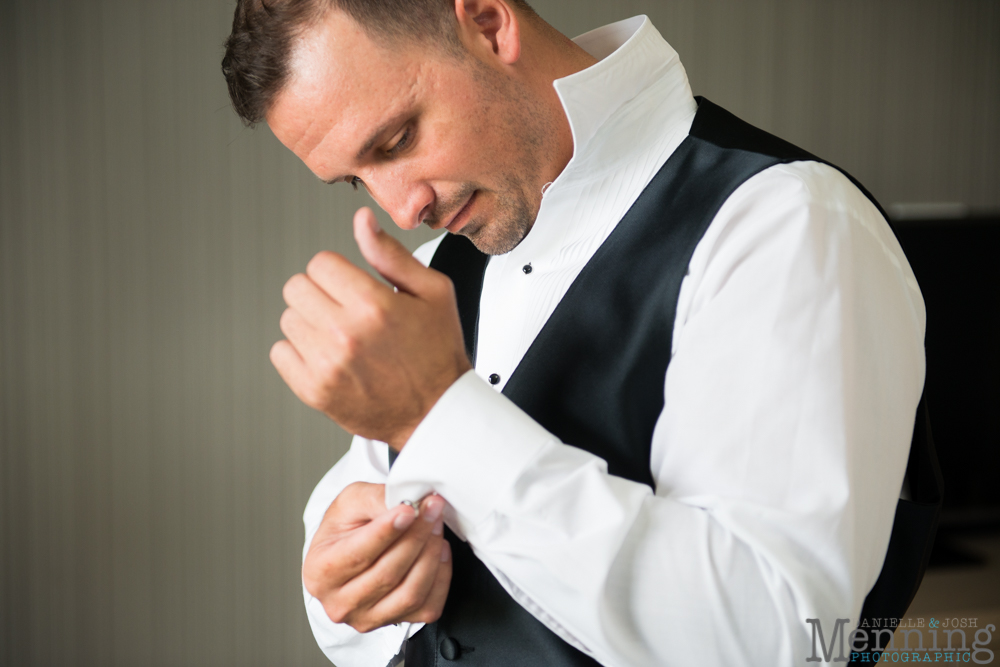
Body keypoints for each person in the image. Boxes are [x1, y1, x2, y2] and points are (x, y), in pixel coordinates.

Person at [221, 1, 936, 665]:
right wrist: (347, 591)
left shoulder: (787, 226)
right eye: (355, 181)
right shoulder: (437, 270)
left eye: (399, 138)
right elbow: (374, 591)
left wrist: (441, 416)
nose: (402, 209)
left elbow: (777, 638)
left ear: (489, 23)